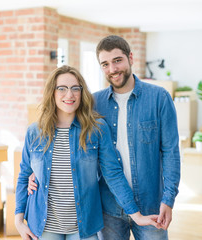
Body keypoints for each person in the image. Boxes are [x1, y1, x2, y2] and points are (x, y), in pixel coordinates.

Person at [15, 65, 160, 240]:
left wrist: (136, 215)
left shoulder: (96, 129)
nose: (69, 95)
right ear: (51, 93)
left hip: (83, 226)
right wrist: (18, 222)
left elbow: (113, 173)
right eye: (62, 88)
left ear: (82, 93)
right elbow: (24, 175)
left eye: (75, 88)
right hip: (44, 225)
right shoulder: (35, 132)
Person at [93, 35, 181, 240]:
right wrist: (39, 169)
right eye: (105, 64)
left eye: (117, 60)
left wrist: (168, 200)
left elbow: (171, 152)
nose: (112, 69)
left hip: (152, 206)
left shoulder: (159, 98)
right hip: (109, 208)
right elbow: (72, 142)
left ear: (130, 58)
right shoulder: (94, 103)